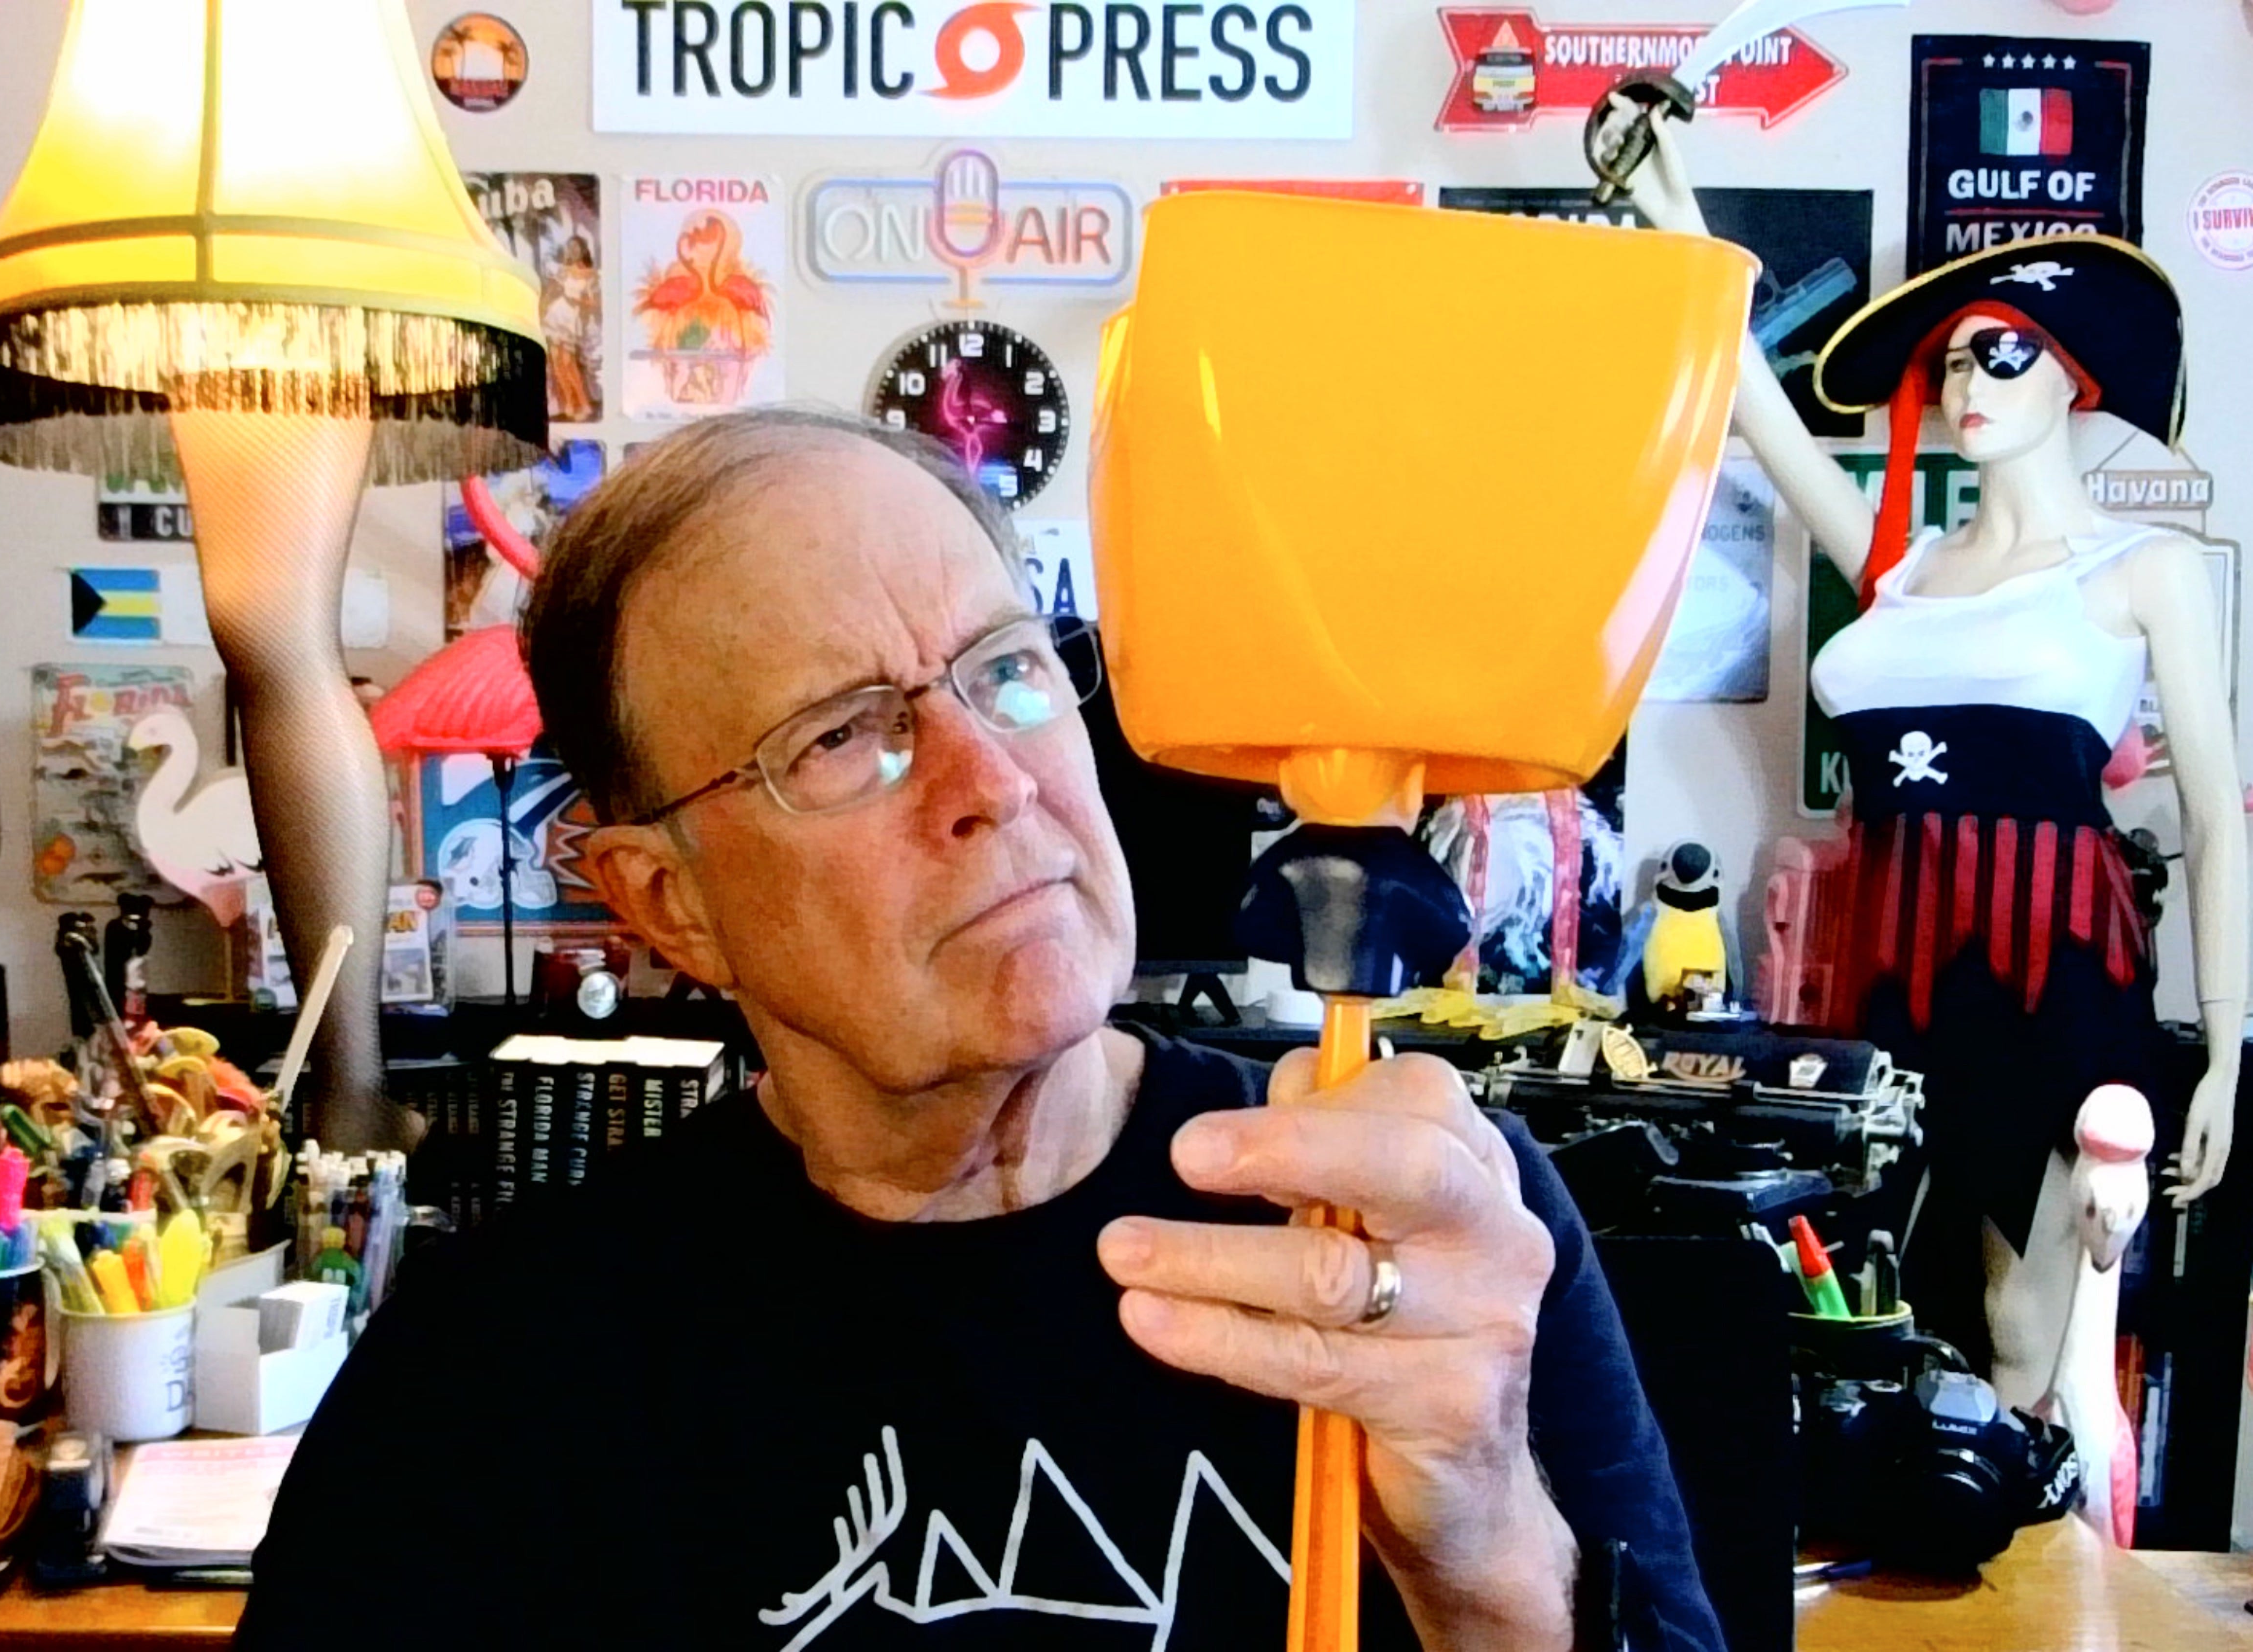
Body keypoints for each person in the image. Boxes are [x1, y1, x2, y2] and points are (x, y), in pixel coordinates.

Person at [241, 409, 1723, 1651]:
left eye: (1007, 671)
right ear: (669, 904)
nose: (993, 780)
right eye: (840, 735)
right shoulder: (504, 1365)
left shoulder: (1415, 1228)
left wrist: (1485, 1548)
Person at [1611, 111, 2243, 1383]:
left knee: (2028, 1331)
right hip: (1890, 986)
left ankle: (2055, 1519)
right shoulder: (1897, 568)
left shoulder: (2146, 568)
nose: (1967, 384)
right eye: (1951, 360)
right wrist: (1672, 211)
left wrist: (2228, 1048)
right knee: (1886, 1315)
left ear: (2074, 377)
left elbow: (2218, 814)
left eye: (2003, 353)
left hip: (2054, 979)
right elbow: (1758, 405)